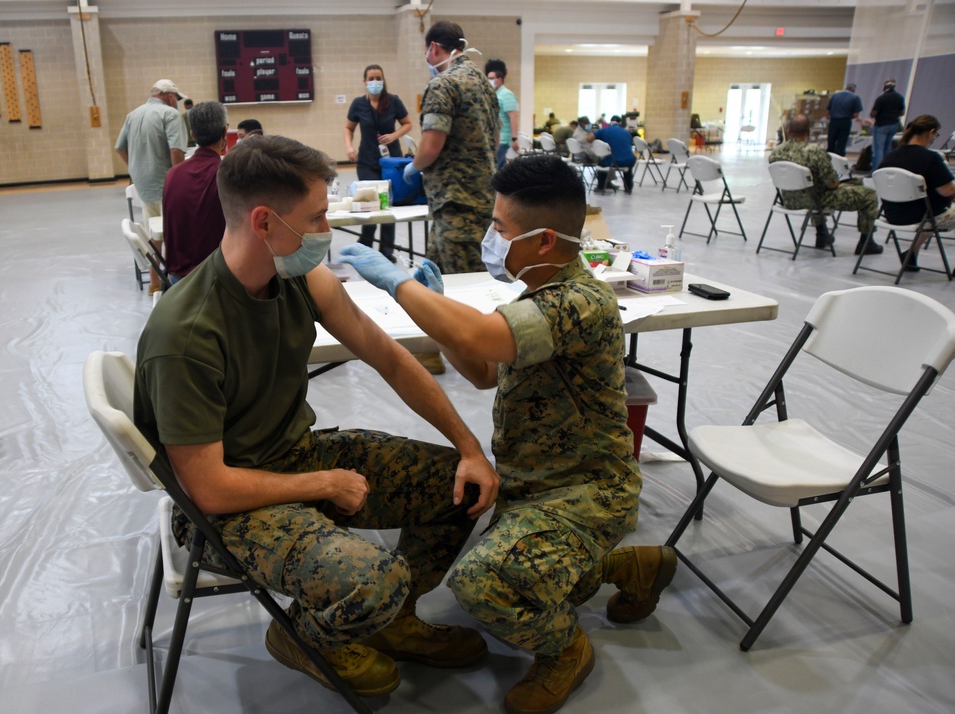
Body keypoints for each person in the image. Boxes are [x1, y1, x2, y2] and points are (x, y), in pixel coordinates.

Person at [133, 134, 500, 697]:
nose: (327, 231)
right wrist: (323, 482)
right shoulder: (186, 335)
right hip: (230, 506)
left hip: (293, 457)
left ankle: (395, 621)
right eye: (318, 216)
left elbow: (391, 359)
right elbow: (208, 489)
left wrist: (471, 448)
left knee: (461, 486)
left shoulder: (298, 276)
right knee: (376, 581)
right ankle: (303, 637)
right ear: (264, 222)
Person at [338, 153, 675, 714]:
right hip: (533, 485)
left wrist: (399, 284)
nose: (491, 237)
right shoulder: (538, 294)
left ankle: (565, 649)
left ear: (544, 241)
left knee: (480, 583)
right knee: (476, 522)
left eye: (500, 227)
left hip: (585, 493)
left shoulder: (580, 302)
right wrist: (440, 308)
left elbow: (485, 341)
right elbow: (484, 369)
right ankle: (626, 568)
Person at [402, 20, 499, 374]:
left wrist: (413, 166)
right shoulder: (483, 84)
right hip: (477, 196)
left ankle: (483, 363)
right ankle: (429, 350)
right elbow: (496, 136)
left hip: (457, 199)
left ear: (434, 49)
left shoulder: (443, 85)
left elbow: (430, 145)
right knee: (432, 277)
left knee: (464, 285)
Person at [769, 114, 883, 255]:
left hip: (788, 200)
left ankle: (821, 234)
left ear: (788, 132)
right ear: (808, 132)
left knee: (815, 190)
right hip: (813, 201)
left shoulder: (776, 153)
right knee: (869, 194)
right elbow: (833, 184)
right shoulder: (814, 152)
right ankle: (867, 242)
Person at [115, 78, 188, 293]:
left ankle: (155, 282)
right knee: (177, 232)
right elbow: (176, 150)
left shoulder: (133, 115)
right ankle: (179, 281)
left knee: (154, 233)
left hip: (144, 186)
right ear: (171, 97)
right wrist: (182, 179)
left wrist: (136, 170)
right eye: (177, 100)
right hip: (167, 185)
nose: (177, 104)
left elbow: (120, 148)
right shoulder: (170, 114)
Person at [343, 63, 413, 262]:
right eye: (371, 79)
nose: (375, 82)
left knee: (388, 205)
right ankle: (365, 246)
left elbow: (408, 124)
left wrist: (394, 135)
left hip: (391, 162)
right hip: (367, 161)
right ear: (364, 82)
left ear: (383, 80)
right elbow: (348, 128)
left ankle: (386, 250)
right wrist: (349, 147)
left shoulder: (393, 101)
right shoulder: (358, 104)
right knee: (371, 204)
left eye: (378, 78)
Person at [878, 114, 955, 271]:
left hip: (892, 215)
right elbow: (948, 190)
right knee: (934, 214)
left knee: (929, 213)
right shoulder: (930, 158)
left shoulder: (890, 157)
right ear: (931, 132)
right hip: (921, 216)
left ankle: (911, 253)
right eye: (936, 135)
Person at [162, 100, 228, 282]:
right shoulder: (227, 176)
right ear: (225, 132)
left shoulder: (173, 174)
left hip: (178, 279)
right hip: (214, 280)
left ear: (192, 134)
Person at [484, 59, 519, 169]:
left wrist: (514, 139)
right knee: (498, 169)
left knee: (496, 169)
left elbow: (513, 117)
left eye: (491, 79)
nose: (489, 81)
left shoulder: (507, 95)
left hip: (503, 140)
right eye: (488, 78)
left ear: (499, 79)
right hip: (495, 139)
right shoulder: (495, 94)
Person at [589, 115, 636, 193]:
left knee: (601, 162)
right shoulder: (627, 133)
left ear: (609, 122)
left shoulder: (603, 130)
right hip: (628, 160)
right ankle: (628, 187)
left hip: (612, 161)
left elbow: (589, 139)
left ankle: (601, 186)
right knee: (628, 167)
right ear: (620, 123)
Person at [870, 78, 905, 172]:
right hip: (894, 125)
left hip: (881, 125)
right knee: (888, 148)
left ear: (885, 86)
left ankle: (876, 171)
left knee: (879, 149)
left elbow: (873, 113)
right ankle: (887, 169)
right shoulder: (900, 98)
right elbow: (902, 112)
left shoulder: (881, 98)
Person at [826, 83, 862, 157]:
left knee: (831, 141)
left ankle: (828, 158)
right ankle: (839, 160)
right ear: (853, 89)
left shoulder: (835, 95)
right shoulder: (855, 97)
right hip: (845, 122)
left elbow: (828, 110)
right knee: (841, 143)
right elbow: (856, 114)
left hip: (834, 121)